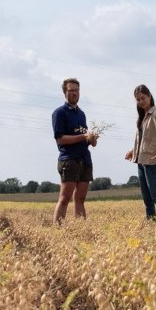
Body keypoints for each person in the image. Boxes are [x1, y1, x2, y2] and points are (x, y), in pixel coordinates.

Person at [123, 84, 156, 220]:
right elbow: (144, 141)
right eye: (138, 99)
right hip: (141, 162)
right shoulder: (142, 117)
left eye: (143, 98)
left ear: (149, 96)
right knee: (147, 199)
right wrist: (133, 151)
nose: (141, 101)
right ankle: (151, 227)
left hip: (152, 161)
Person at [51, 77, 97, 223]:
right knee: (65, 199)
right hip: (69, 160)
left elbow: (85, 140)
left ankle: (81, 231)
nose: (74, 93)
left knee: (80, 199)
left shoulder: (81, 114)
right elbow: (60, 139)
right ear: (65, 92)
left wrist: (91, 140)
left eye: (76, 90)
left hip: (84, 159)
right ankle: (57, 231)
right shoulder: (59, 113)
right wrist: (83, 136)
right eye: (71, 91)